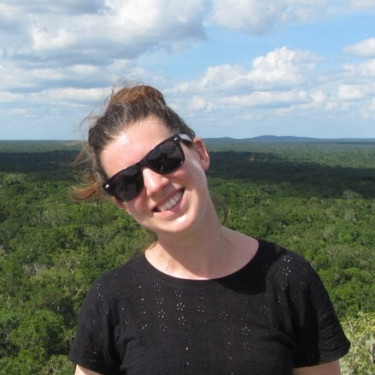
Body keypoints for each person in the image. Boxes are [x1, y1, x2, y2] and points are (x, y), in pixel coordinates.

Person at [69, 83, 350, 375]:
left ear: (200, 153)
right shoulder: (111, 298)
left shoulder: (289, 280)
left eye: (163, 157)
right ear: (122, 204)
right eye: (127, 183)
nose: (155, 185)